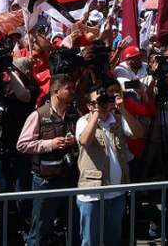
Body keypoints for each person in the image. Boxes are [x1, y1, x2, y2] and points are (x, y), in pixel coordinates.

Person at [16, 74, 79, 246]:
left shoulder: (74, 113)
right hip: (45, 181)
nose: (73, 92)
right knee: (40, 228)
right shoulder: (38, 115)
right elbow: (22, 145)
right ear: (56, 91)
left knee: (74, 225)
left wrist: (75, 140)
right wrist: (49, 144)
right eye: (69, 88)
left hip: (69, 177)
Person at [75, 85, 142, 246]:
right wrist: (96, 113)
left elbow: (139, 133)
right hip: (92, 195)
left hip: (117, 193)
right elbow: (85, 140)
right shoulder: (83, 121)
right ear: (89, 105)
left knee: (113, 240)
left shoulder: (117, 119)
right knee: (90, 241)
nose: (104, 104)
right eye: (98, 101)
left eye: (105, 100)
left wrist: (123, 110)